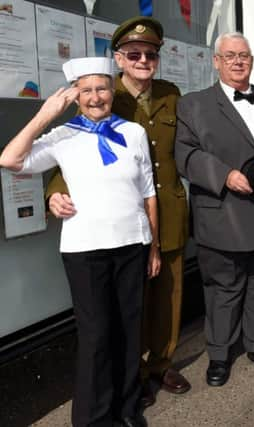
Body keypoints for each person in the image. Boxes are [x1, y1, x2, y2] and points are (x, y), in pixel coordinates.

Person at [0, 57, 159, 427]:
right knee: (96, 336)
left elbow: (148, 191)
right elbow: (9, 159)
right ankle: (93, 419)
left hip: (132, 243)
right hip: (85, 250)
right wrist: (44, 115)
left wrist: (152, 245)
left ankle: (127, 408)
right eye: (86, 90)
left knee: (128, 331)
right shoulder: (61, 137)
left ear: (112, 91)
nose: (95, 97)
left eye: (102, 88)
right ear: (75, 97)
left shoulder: (133, 132)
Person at [45, 17, 191, 406]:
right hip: (122, 222)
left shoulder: (171, 94)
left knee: (168, 298)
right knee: (130, 305)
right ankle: (134, 372)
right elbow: (67, 156)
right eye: (134, 54)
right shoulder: (102, 95)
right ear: (119, 59)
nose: (143, 59)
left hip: (167, 210)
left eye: (150, 54)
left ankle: (161, 364)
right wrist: (55, 192)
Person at [174, 32, 254, 387]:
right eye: (229, 56)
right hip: (224, 212)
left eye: (244, 55)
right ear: (215, 61)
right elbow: (185, 155)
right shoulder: (193, 104)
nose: (237, 61)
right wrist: (224, 175)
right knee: (223, 289)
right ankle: (219, 354)